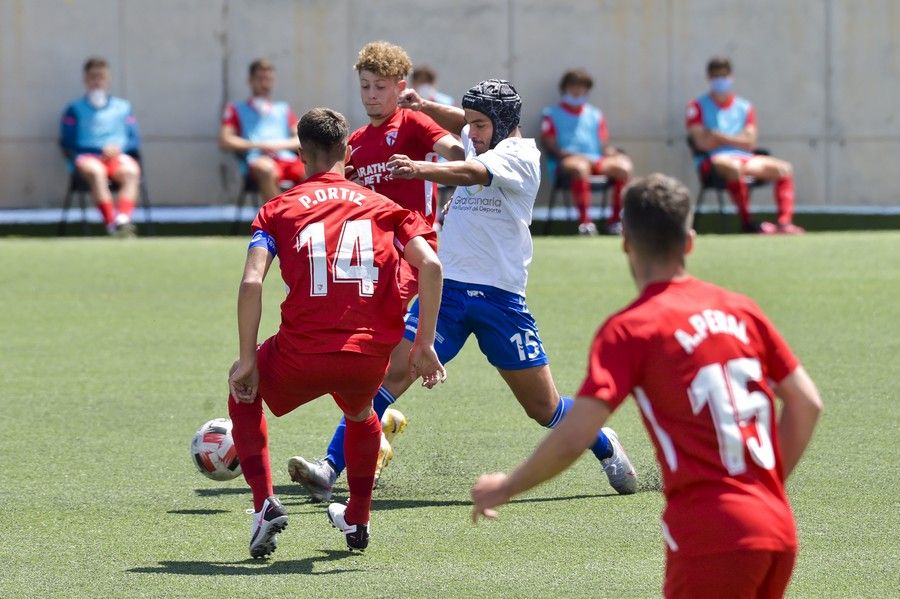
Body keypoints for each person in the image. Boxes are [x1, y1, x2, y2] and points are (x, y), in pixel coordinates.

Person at [471, 173, 823, 598]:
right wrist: (762, 486)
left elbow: (576, 434)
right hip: (777, 524)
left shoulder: (631, 329)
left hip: (711, 534)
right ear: (689, 241)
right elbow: (806, 403)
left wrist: (507, 486)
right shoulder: (742, 311)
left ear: (626, 243)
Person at [289, 79, 638, 505]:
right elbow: (465, 124)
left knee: (543, 409)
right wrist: (426, 105)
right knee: (389, 374)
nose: (470, 134)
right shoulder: (483, 137)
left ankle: (603, 442)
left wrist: (422, 169)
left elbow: (472, 172)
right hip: (449, 294)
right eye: (469, 124)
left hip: (501, 301)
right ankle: (329, 467)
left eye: (479, 125)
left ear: (504, 122)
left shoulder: (521, 157)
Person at [225, 107, 446, 558]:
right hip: (366, 355)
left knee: (242, 392)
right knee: (362, 413)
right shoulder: (387, 209)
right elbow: (432, 265)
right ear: (348, 151)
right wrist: (423, 342)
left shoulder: (276, 209)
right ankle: (358, 520)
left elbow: (252, 281)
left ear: (301, 153)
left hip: (299, 353)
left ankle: (263, 504)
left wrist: (247, 358)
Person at [287, 41, 464, 489]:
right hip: (372, 264)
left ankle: (332, 463)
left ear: (399, 88)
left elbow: (457, 153)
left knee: (386, 366)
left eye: (380, 87)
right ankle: (372, 430)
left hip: (414, 257)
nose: (370, 95)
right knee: (362, 361)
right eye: (364, 86)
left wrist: (423, 163)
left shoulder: (415, 123)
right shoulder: (357, 143)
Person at [686, 57, 805, 234]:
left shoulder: (744, 107)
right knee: (733, 168)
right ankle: (748, 222)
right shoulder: (696, 106)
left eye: (724, 76)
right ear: (709, 78)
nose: (720, 80)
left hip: (744, 158)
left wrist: (719, 136)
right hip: (713, 161)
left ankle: (784, 223)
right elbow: (702, 143)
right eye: (716, 76)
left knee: (784, 169)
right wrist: (736, 139)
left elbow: (750, 142)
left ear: (731, 77)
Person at [540, 68, 633, 236]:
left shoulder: (595, 115)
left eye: (581, 87)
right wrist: (565, 154)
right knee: (580, 168)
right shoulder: (551, 114)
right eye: (573, 86)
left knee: (623, 168)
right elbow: (550, 144)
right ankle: (585, 223)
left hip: (595, 160)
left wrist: (613, 153)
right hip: (570, 161)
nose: (577, 91)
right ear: (565, 88)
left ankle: (615, 222)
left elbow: (603, 145)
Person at [60, 57, 142, 237]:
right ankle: (111, 224)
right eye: (93, 77)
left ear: (108, 79)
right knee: (97, 173)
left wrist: (118, 149)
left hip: (117, 157)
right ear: (86, 79)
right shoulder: (74, 109)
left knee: (131, 172)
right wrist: (83, 155)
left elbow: (134, 139)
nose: (97, 82)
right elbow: (67, 141)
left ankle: (123, 219)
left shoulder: (123, 107)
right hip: (88, 158)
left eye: (101, 77)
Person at [219, 59, 305, 201]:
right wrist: (259, 145)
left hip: (286, 158)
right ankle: (276, 220)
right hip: (258, 160)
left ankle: (307, 217)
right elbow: (225, 140)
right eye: (260, 79)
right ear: (250, 81)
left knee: (312, 171)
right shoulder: (236, 109)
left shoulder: (283, 109)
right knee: (266, 169)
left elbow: (300, 139)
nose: (265, 83)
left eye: (269, 79)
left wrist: (277, 145)